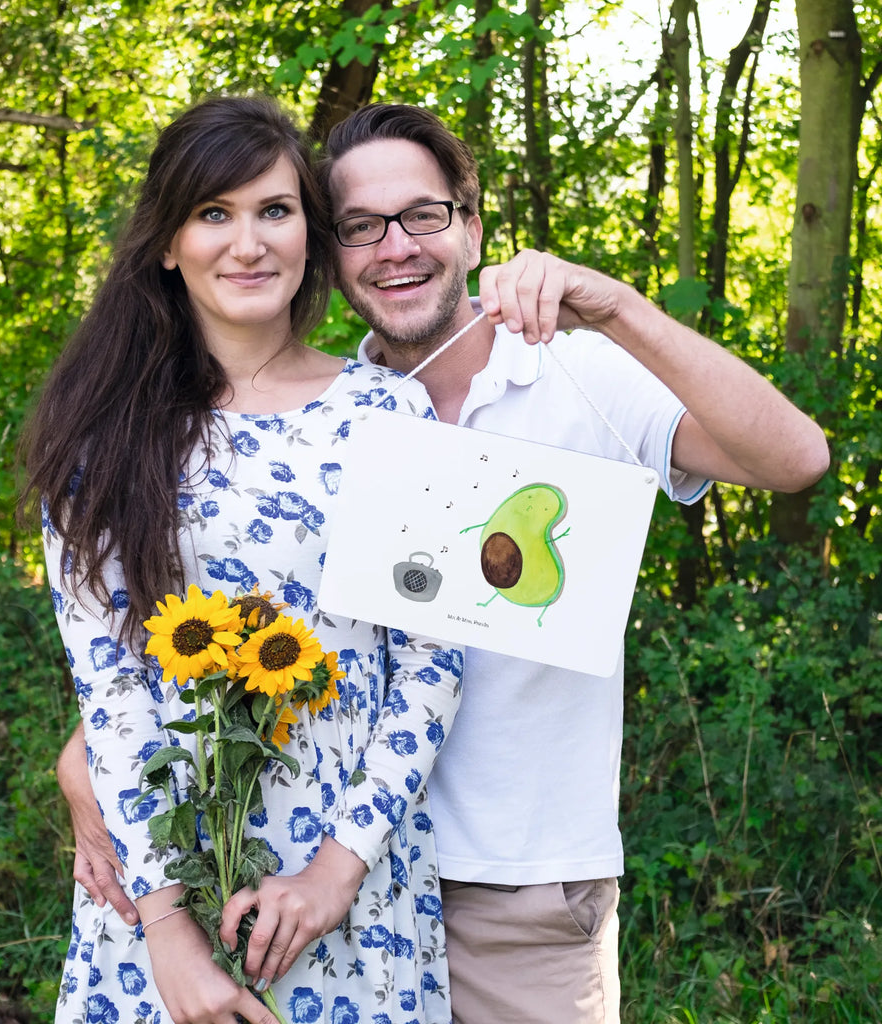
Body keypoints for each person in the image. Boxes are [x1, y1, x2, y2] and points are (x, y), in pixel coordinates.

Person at [59, 102, 830, 1023]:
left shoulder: (570, 373)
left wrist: (617, 306)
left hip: (508, 887)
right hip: (279, 874)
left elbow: (795, 461)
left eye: (422, 215)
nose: (395, 247)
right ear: (332, 250)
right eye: (360, 227)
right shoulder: (321, 416)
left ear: (470, 225)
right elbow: (202, 630)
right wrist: (92, 768)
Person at [20, 96, 467, 1024]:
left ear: (310, 229)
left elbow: (432, 661)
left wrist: (336, 873)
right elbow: (111, 691)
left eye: (275, 210)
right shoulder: (103, 439)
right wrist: (169, 937)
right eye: (213, 214)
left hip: (350, 886)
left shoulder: (390, 415)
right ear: (167, 244)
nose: (249, 243)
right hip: (160, 885)